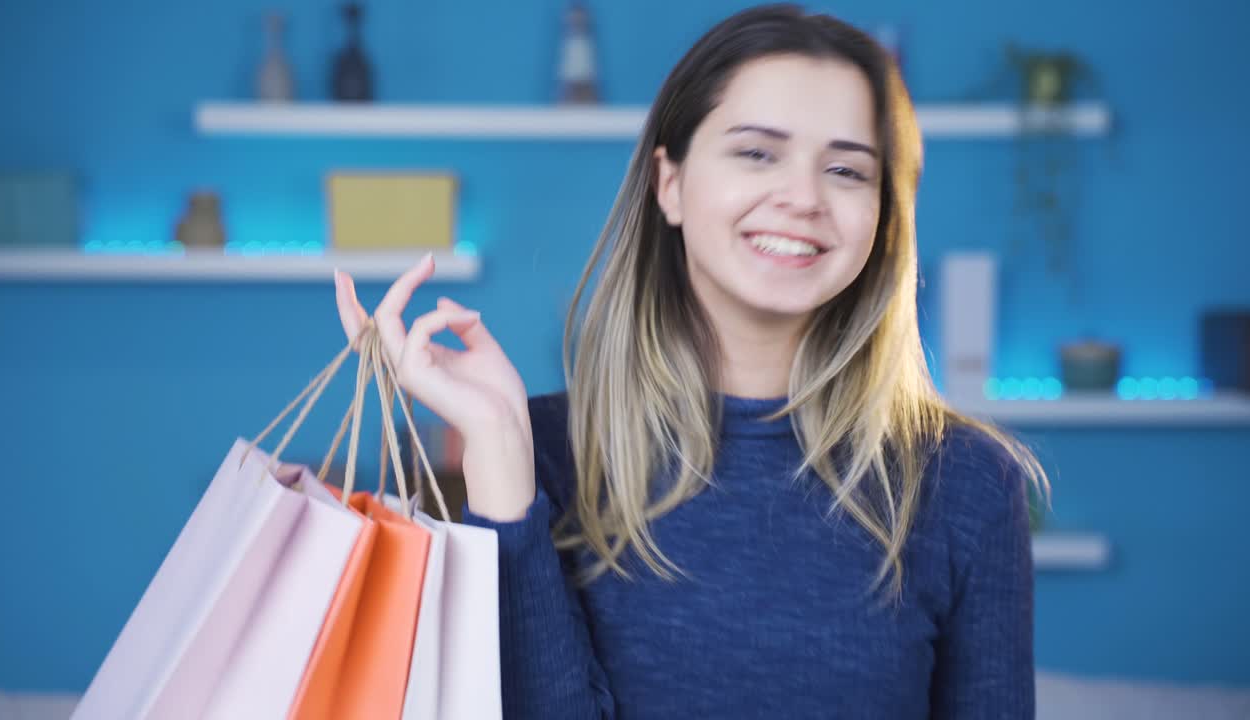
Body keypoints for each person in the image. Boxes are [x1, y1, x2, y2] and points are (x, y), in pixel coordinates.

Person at [334, 4, 1049, 718]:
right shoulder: (546, 456)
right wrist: (498, 454)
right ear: (668, 183)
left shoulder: (969, 486)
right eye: (756, 152)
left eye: (846, 169)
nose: (802, 197)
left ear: (885, 213)